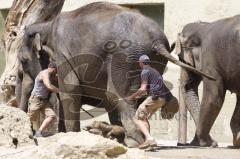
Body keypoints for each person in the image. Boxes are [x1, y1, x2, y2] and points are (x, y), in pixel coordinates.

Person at [127, 55, 179, 149]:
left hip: (155, 98)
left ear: (141, 63)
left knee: (136, 118)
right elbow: (153, 88)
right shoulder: (154, 71)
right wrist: (139, 96)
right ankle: (149, 143)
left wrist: (131, 97)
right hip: (162, 99)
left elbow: (142, 88)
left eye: (139, 63)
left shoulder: (145, 71)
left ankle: (150, 139)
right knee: (144, 118)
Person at [27, 63, 59, 137]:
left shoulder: (52, 75)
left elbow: (57, 79)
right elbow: (49, 86)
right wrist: (60, 91)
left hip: (44, 101)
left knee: (52, 116)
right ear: (53, 69)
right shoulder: (44, 74)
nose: (56, 73)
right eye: (56, 71)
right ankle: (26, 132)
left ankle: (39, 132)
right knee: (29, 118)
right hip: (36, 100)